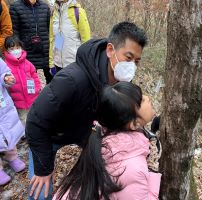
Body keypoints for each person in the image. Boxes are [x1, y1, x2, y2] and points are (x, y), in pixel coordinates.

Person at [26, 21, 148, 200]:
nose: (132, 66)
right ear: (110, 50)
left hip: (85, 134)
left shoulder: (122, 83)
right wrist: (43, 170)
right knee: (40, 192)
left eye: (137, 61)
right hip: (51, 133)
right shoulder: (71, 80)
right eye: (128, 58)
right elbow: (35, 121)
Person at [54, 82, 161, 200]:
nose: (147, 98)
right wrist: (152, 174)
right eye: (141, 101)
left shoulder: (102, 137)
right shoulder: (133, 169)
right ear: (134, 124)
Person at [9, 0, 52, 83]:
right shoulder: (15, 6)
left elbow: (50, 29)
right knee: (30, 82)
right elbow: (15, 31)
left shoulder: (45, 6)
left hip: (45, 49)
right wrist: (18, 51)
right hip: (27, 51)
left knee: (52, 81)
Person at [4, 35, 41, 126]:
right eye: (12, 48)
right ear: (7, 50)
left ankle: (35, 132)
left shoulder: (27, 63)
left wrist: (37, 88)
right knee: (23, 119)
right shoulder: (6, 66)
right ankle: (26, 134)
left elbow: (34, 76)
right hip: (17, 101)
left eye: (18, 47)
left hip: (32, 97)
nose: (16, 50)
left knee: (35, 117)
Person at [0, 58, 25, 186]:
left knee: (8, 131)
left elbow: (3, 72)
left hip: (2, 105)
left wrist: (6, 78)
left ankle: (12, 156)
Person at [49, 0, 91, 75]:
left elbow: (86, 42)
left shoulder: (78, 12)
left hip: (74, 65)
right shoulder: (54, 13)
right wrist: (51, 63)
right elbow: (53, 39)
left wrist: (85, 65)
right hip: (58, 65)